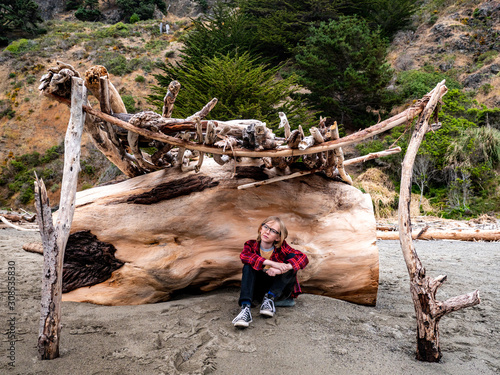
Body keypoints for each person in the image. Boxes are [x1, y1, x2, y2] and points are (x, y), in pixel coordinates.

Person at [232, 216, 309, 328]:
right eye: (266, 227)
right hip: (258, 288)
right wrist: (273, 263)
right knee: (248, 265)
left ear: (278, 237)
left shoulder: (282, 248)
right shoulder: (250, 245)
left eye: (273, 231)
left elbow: (303, 258)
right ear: (260, 229)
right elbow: (245, 256)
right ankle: (245, 309)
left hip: (276, 288)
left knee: (292, 261)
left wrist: (281, 269)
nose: (267, 231)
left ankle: (269, 299)